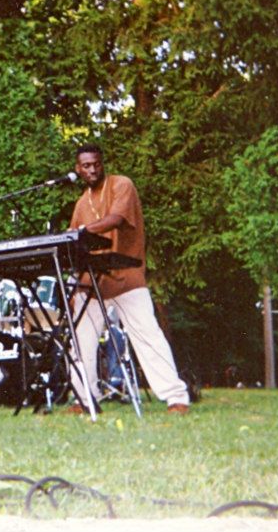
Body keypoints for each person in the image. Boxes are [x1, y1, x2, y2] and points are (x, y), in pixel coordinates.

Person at [67, 144, 191, 415]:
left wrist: (82, 232)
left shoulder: (122, 185)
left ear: (103, 163)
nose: (92, 170)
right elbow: (73, 245)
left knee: (147, 335)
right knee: (81, 337)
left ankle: (175, 397)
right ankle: (84, 398)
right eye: (86, 166)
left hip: (126, 277)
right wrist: (75, 284)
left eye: (96, 164)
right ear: (78, 169)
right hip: (92, 281)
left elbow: (116, 219)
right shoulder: (81, 203)